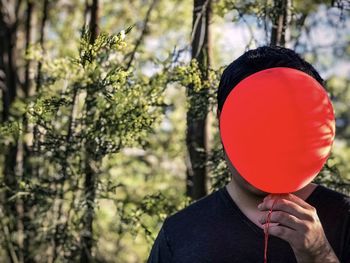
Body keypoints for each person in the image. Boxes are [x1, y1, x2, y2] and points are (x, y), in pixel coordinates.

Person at [146, 46, 350, 263]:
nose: (268, 136)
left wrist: (320, 255)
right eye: (254, 117)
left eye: (283, 119)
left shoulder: (345, 219)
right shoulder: (179, 234)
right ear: (221, 120)